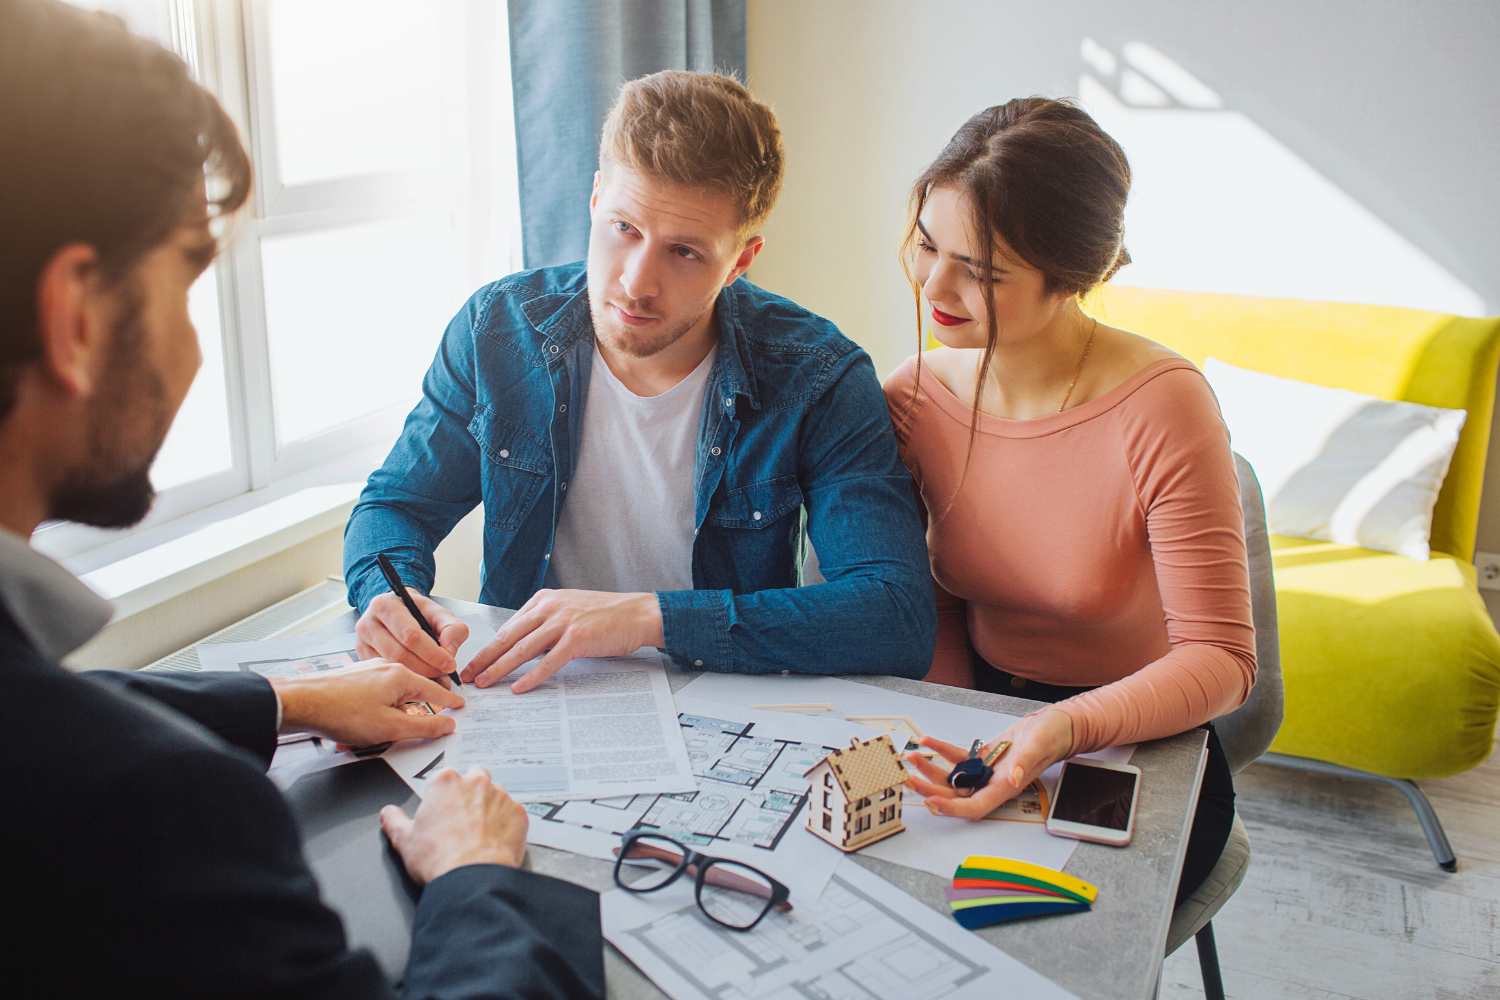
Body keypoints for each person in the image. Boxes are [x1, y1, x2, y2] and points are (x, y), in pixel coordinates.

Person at [0, 3, 603, 996]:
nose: (197, 348)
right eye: (188, 283)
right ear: (74, 318)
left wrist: (287, 698)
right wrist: (479, 880)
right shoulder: (163, 812)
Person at [344, 70, 935, 692]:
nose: (635, 282)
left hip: (726, 698)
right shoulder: (497, 330)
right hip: (533, 695)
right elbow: (395, 505)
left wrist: (650, 619)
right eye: (624, 228)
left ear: (741, 259)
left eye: (684, 252)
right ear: (596, 198)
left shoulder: (818, 373)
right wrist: (390, 594)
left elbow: (895, 615)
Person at [884, 99, 1257, 904]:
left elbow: (1223, 661)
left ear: (1072, 279)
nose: (935, 286)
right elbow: (938, 593)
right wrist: (961, 721)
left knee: (1032, 934)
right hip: (982, 710)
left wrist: (1060, 729)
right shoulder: (912, 400)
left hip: (1140, 735)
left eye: (980, 272)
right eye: (925, 244)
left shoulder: (1163, 404)